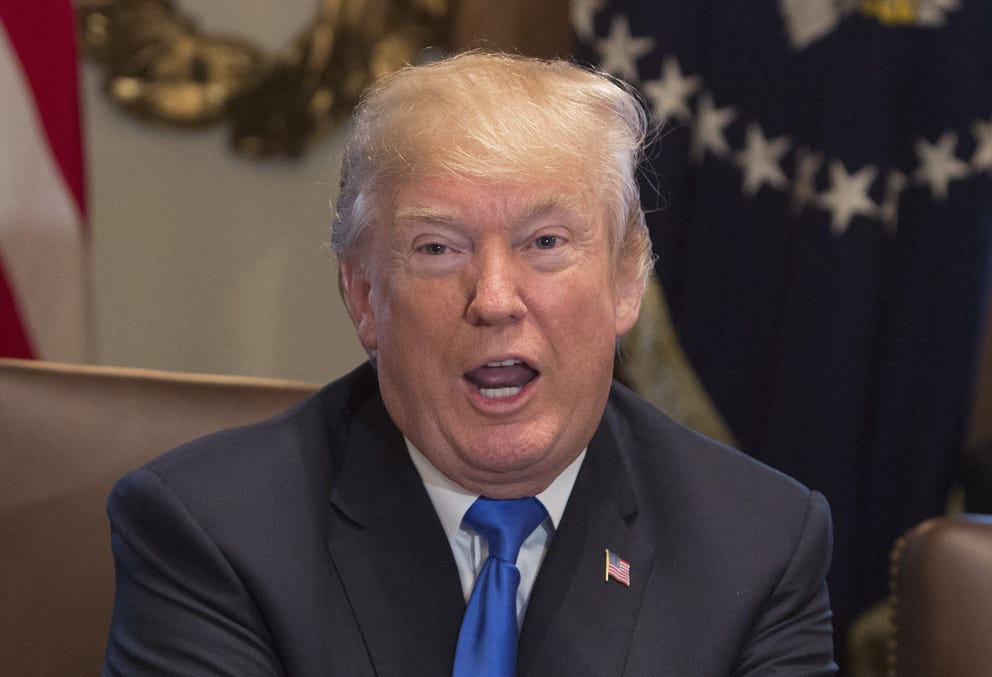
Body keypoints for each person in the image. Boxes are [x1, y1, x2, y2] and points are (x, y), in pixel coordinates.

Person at [101, 52, 836, 676]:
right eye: (437, 248)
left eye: (545, 242)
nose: (494, 299)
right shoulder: (212, 531)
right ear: (363, 295)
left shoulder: (759, 545)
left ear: (624, 279)